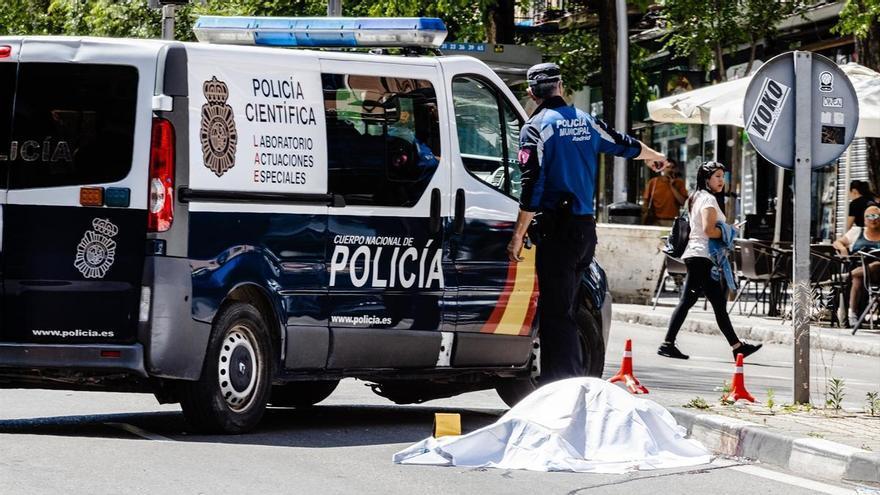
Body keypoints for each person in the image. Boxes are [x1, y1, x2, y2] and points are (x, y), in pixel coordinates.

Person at [505, 62, 668, 382]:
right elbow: (624, 144)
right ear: (561, 87)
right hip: (584, 231)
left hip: (557, 233)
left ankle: (562, 385)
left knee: (556, 314)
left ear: (530, 93)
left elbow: (532, 185)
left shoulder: (536, 127)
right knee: (568, 307)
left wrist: (517, 235)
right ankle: (573, 379)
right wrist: (654, 156)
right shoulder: (587, 121)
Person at [658, 161, 763, 361]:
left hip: (697, 255)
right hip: (701, 256)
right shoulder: (707, 200)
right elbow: (708, 230)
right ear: (706, 179)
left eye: (722, 176)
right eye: (717, 176)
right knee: (699, 302)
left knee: (711, 302)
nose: (721, 180)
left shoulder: (695, 197)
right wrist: (730, 230)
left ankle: (736, 346)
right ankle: (668, 343)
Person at [833, 204, 880, 326]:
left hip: (878, 274)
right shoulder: (857, 231)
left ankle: (845, 276)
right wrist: (843, 249)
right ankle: (852, 314)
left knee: (876, 264)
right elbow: (837, 242)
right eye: (869, 216)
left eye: (876, 216)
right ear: (864, 220)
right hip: (860, 272)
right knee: (857, 278)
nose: (873, 219)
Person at [643, 158, 688, 226]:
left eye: (672, 168)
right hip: (656, 221)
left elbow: (683, 202)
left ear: (675, 170)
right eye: (667, 167)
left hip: (673, 221)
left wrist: (672, 187)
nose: (670, 170)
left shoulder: (679, 183)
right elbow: (646, 202)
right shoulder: (653, 182)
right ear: (662, 168)